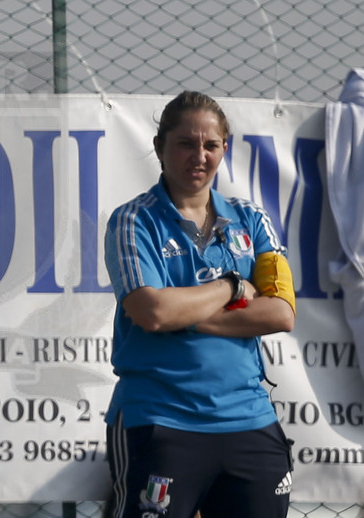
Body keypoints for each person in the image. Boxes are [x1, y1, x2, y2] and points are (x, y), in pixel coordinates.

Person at [102, 91, 296, 518]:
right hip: (161, 422)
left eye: (211, 145)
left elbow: (280, 313)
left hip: (250, 421)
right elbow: (151, 312)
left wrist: (182, 312)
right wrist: (230, 287)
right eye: (186, 144)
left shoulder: (251, 219)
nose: (199, 156)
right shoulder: (132, 220)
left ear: (224, 149)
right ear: (160, 148)